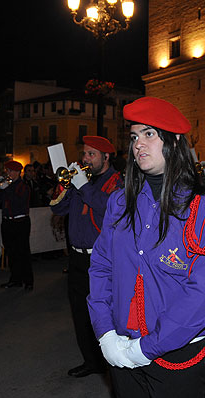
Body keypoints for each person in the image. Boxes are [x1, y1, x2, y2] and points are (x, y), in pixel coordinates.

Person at [88, 96, 205, 398]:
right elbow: (101, 268)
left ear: (175, 141)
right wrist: (105, 332)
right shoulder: (118, 203)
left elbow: (203, 295)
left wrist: (147, 348)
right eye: (135, 136)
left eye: (149, 134)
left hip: (175, 352)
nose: (139, 144)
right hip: (122, 346)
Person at [50, 135, 123, 378]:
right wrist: (66, 185)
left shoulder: (117, 181)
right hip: (78, 257)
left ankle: (113, 364)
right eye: (84, 154)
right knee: (80, 312)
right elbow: (57, 208)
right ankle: (91, 361)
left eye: (92, 154)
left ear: (106, 157)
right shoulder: (83, 180)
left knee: (106, 313)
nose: (85, 159)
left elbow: (111, 208)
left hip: (104, 259)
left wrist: (83, 186)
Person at [0, 160, 34, 291]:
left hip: (20, 222)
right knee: (11, 252)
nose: (8, 173)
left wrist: (7, 188)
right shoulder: (6, 186)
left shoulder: (23, 186)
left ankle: (28, 280)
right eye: (7, 171)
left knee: (23, 252)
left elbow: (19, 202)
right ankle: (15, 279)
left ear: (17, 172)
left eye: (10, 171)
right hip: (7, 222)